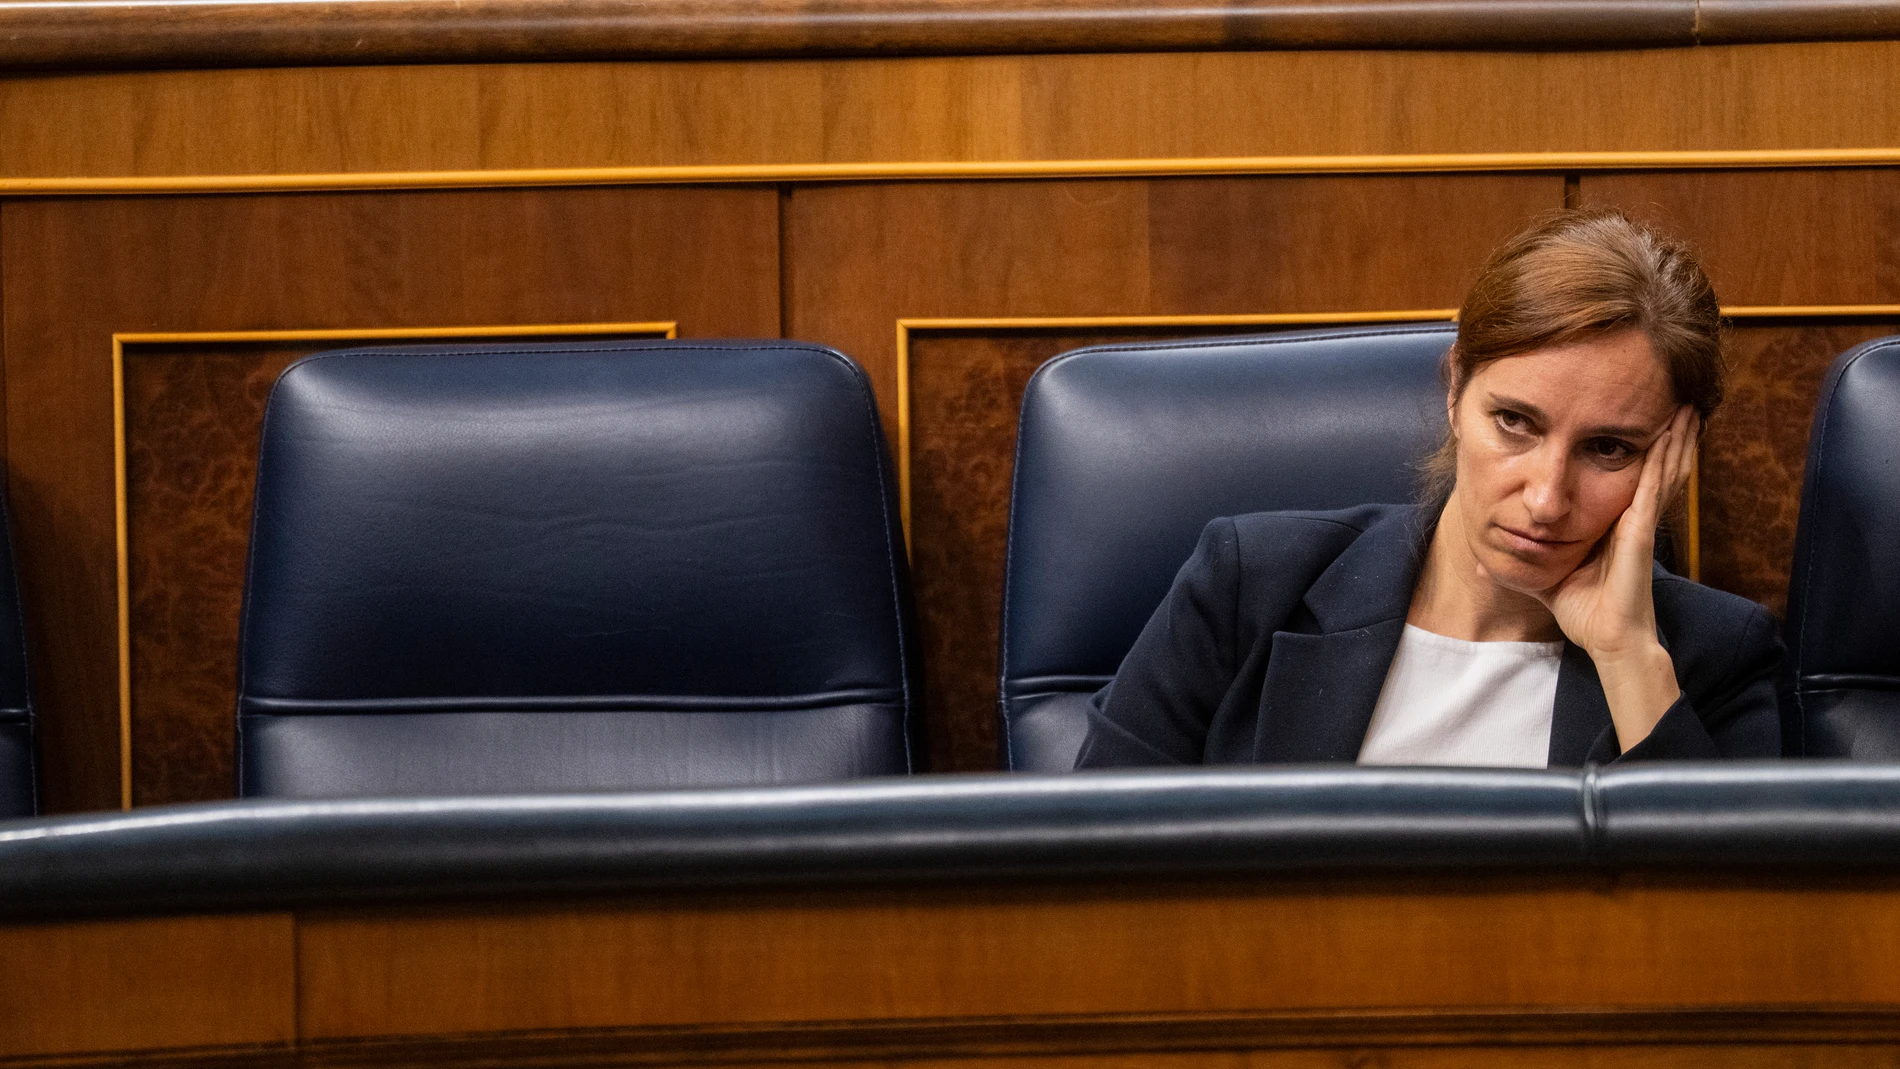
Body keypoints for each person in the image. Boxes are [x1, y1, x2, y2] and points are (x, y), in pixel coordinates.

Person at [1075, 209, 1782, 768]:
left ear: (1673, 459)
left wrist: (1628, 656)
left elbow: (1737, 933)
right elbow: (1087, 872)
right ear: (1455, 389)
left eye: (1608, 449)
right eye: (1514, 423)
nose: (1545, 498)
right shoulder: (1249, 589)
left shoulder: (1711, 658)